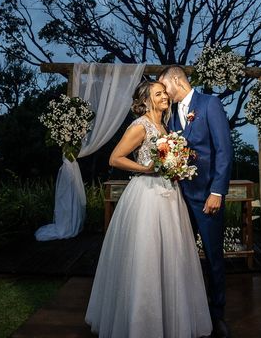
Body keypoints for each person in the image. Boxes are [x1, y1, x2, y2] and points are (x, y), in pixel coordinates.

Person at [85, 80, 212, 338]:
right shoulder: (140, 125)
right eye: (159, 93)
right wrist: (146, 169)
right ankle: (142, 325)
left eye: (165, 92)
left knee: (172, 255)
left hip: (170, 195)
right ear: (145, 101)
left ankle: (169, 321)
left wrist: (179, 166)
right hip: (147, 196)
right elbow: (115, 158)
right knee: (147, 256)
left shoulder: (166, 127)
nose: (165, 96)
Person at [159, 66, 233, 338]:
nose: (164, 94)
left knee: (213, 256)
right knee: (182, 257)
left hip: (206, 198)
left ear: (176, 80)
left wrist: (217, 191)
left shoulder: (209, 104)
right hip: (179, 198)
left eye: (164, 87)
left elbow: (224, 149)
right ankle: (188, 311)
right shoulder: (171, 116)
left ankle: (217, 314)